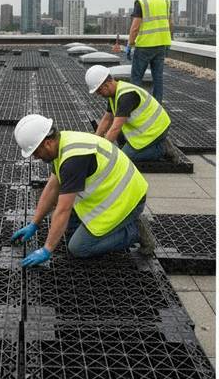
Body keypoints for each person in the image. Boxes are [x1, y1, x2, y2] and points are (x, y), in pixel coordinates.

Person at [10, 114, 151, 266]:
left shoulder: (73, 160)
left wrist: (47, 249)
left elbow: (64, 208)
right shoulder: (62, 143)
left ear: (48, 143)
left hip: (128, 200)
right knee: (66, 230)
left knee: (78, 248)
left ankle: (134, 230)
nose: (36, 157)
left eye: (36, 153)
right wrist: (34, 223)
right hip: (108, 193)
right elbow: (52, 188)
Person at [84, 64, 177, 163]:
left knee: (123, 158)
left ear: (107, 84)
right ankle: (146, 146)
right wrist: (96, 140)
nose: (99, 94)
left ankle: (162, 149)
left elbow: (115, 128)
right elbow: (107, 119)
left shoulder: (126, 96)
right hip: (142, 129)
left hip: (156, 130)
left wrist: (102, 151)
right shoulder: (114, 94)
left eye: (99, 90)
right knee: (118, 138)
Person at [126, 0, 171, 101]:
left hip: (145, 46)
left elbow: (135, 27)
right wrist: (168, 41)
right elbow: (169, 22)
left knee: (136, 78)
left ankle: (137, 106)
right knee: (158, 78)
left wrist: (130, 44)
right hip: (162, 44)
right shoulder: (165, 0)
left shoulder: (141, 2)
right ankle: (158, 105)